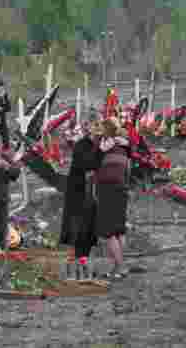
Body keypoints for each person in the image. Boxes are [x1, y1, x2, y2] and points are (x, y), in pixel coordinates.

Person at [60, 119, 103, 281]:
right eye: (94, 129)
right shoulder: (81, 145)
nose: (98, 134)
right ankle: (73, 267)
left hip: (91, 192)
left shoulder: (97, 144)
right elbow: (88, 164)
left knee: (89, 228)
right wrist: (100, 149)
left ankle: (83, 262)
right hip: (78, 193)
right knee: (78, 228)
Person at [92, 118, 131, 279]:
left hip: (107, 190)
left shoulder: (103, 148)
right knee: (119, 230)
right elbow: (128, 169)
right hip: (122, 188)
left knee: (108, 231)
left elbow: (92, 166)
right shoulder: (123, 148)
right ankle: (116, 267)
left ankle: (121, 267)